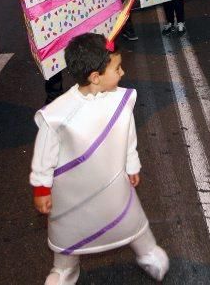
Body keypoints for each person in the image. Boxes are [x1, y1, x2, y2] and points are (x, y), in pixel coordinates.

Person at [30, 33, 169, 285]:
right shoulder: (58, 114)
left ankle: (147, 251)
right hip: (73, 190)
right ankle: (64, 270)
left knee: (129, 216)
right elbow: (44, 154)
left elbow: (128, 137)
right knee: (69, 230)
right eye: (117, 68)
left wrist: (131, 164)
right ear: (95, 78)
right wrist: (42, 187)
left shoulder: (121, 100)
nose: (123, 72)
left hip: (113, 180)